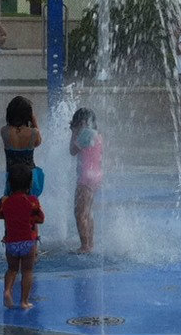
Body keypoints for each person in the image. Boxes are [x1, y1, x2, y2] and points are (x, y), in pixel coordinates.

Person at [0, 164, 45, 309]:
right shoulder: (32, 201)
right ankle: (24, 301)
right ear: (29, 184)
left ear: (10, 183)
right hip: (28, 242)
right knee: (27, 271)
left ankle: (8, 291)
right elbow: (40, 218)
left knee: (12, 269)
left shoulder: (5, 201)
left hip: (11, 243)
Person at [69, 108, 103, 254]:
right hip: (96, 176)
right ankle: (90, 243)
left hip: (85, 177)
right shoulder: (98, 135)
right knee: (87, 212)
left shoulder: (85, 134)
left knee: (79, 213)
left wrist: (73, 133)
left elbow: (72, 151)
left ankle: (85, 246)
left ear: (82, 122)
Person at [1, 96, 43, 196]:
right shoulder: (34, 133)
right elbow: (38, 142)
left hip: (12, 176)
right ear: (28, 115)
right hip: (30, 177)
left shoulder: (4, 131)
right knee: (31, 205)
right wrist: (34, 121)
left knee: (12, 205)